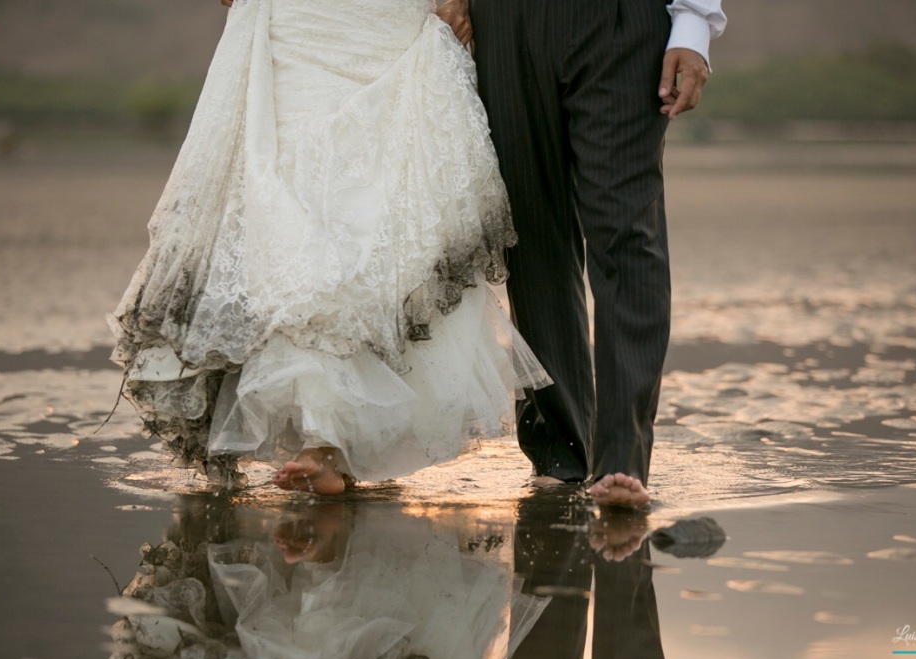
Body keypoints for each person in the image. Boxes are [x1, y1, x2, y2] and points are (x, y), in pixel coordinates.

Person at [108, 0, 550, 493]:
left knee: (376, 217)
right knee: (293, 211)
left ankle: (330, 439)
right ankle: (323, 436)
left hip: (385, 25)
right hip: (301, 22)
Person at [466, 0, 727, 508]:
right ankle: (563, 454)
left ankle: (622, 458)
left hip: (622, 21)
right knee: (531, 238)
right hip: (504, 20)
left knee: (627, 231)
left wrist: (694, 23)